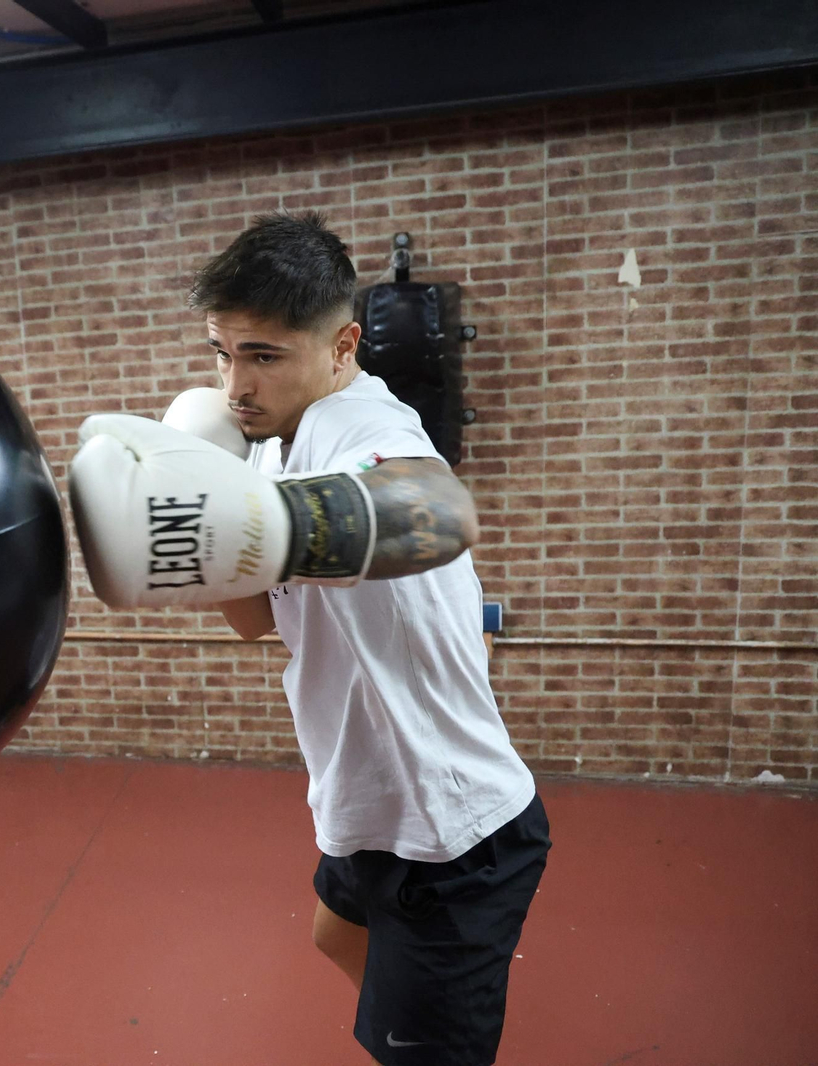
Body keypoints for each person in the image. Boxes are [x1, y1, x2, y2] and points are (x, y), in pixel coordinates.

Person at [67, 211, 549, 1066]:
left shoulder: (368, 432)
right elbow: (258, 620)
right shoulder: (267, 445)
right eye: (222, 351)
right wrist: (189, 548)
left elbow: (436, 513)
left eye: (263, 356)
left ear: (342, 345)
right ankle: (419, 1025)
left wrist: (241, 520)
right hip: (365, 802)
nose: (233, 386)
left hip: (449, 834)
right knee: (337, 938)